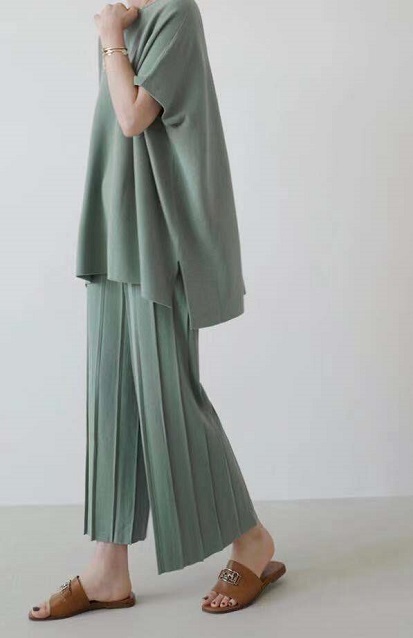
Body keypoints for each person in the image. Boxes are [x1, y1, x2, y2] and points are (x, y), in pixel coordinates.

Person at [29, 0, 285, 621]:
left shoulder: (172, 13)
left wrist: (110, 37)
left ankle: (252, 541)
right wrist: (113, 30)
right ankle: (109, 567)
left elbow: (132, 116)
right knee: (112, 395)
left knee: (168, 395)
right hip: (116, 224)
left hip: (162, 231)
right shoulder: (124, 10)